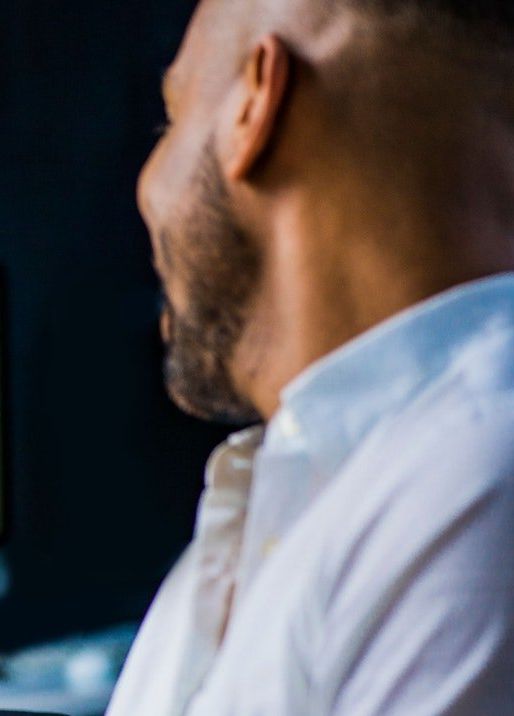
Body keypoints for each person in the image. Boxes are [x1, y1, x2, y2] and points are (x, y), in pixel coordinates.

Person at [110, 0, 514, 713]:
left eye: (170, 123)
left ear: (255, 103)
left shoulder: (476, 483)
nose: (148, 183)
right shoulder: (296, 486)